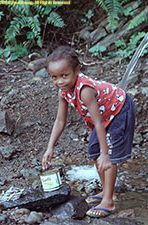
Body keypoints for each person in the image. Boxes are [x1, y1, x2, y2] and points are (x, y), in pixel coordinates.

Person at [42, 46, 136, 218]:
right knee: (94, 150)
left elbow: (99, 123)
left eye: (64, 75)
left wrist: (105, 153)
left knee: (109, 156)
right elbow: (60, 121)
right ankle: (109, 191)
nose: (60, 81)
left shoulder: (85, 91)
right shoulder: (63, 92)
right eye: (54, 77)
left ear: (77, 70)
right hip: (104, 117)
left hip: (119, 111)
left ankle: (108, 200)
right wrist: (50, 147)